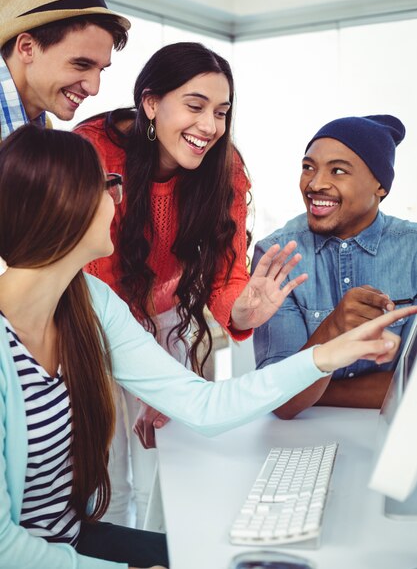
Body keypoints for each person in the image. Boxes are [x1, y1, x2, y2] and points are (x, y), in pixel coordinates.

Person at [0, 124, 413, 569]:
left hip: (72, 540)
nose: (118, 201)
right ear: (65, 205)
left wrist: (325, 355)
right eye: (107, 186)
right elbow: (7, 549)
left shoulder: (88, 301)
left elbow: (204, 405)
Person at [74, 41, 308, 528]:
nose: (210, 127)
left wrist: (241, 312)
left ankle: (162, 556)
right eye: (195, 106)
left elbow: (226, 271)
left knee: (169, 468)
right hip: (91, 318)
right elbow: (94, 272)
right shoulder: (92, 150)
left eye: (221, 112)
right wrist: (153, 374)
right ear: (151, 103)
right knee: (106, 477)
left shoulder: (226, 168)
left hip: (168, 322)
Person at [252, 114, 417, 419]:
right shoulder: (277, 254)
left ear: (380, 185)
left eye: (338, 171)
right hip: (299, 443)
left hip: (394, 442)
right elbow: (278, 399)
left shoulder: (413, 249)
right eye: (308, 168)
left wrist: (316, 389)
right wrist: (334, 327)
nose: (315, 184)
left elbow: (415, 388)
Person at [0, 0, 129, 140]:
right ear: (27, 48)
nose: (94, 88)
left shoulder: (41, 127)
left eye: (101, 69)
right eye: (81, 64)